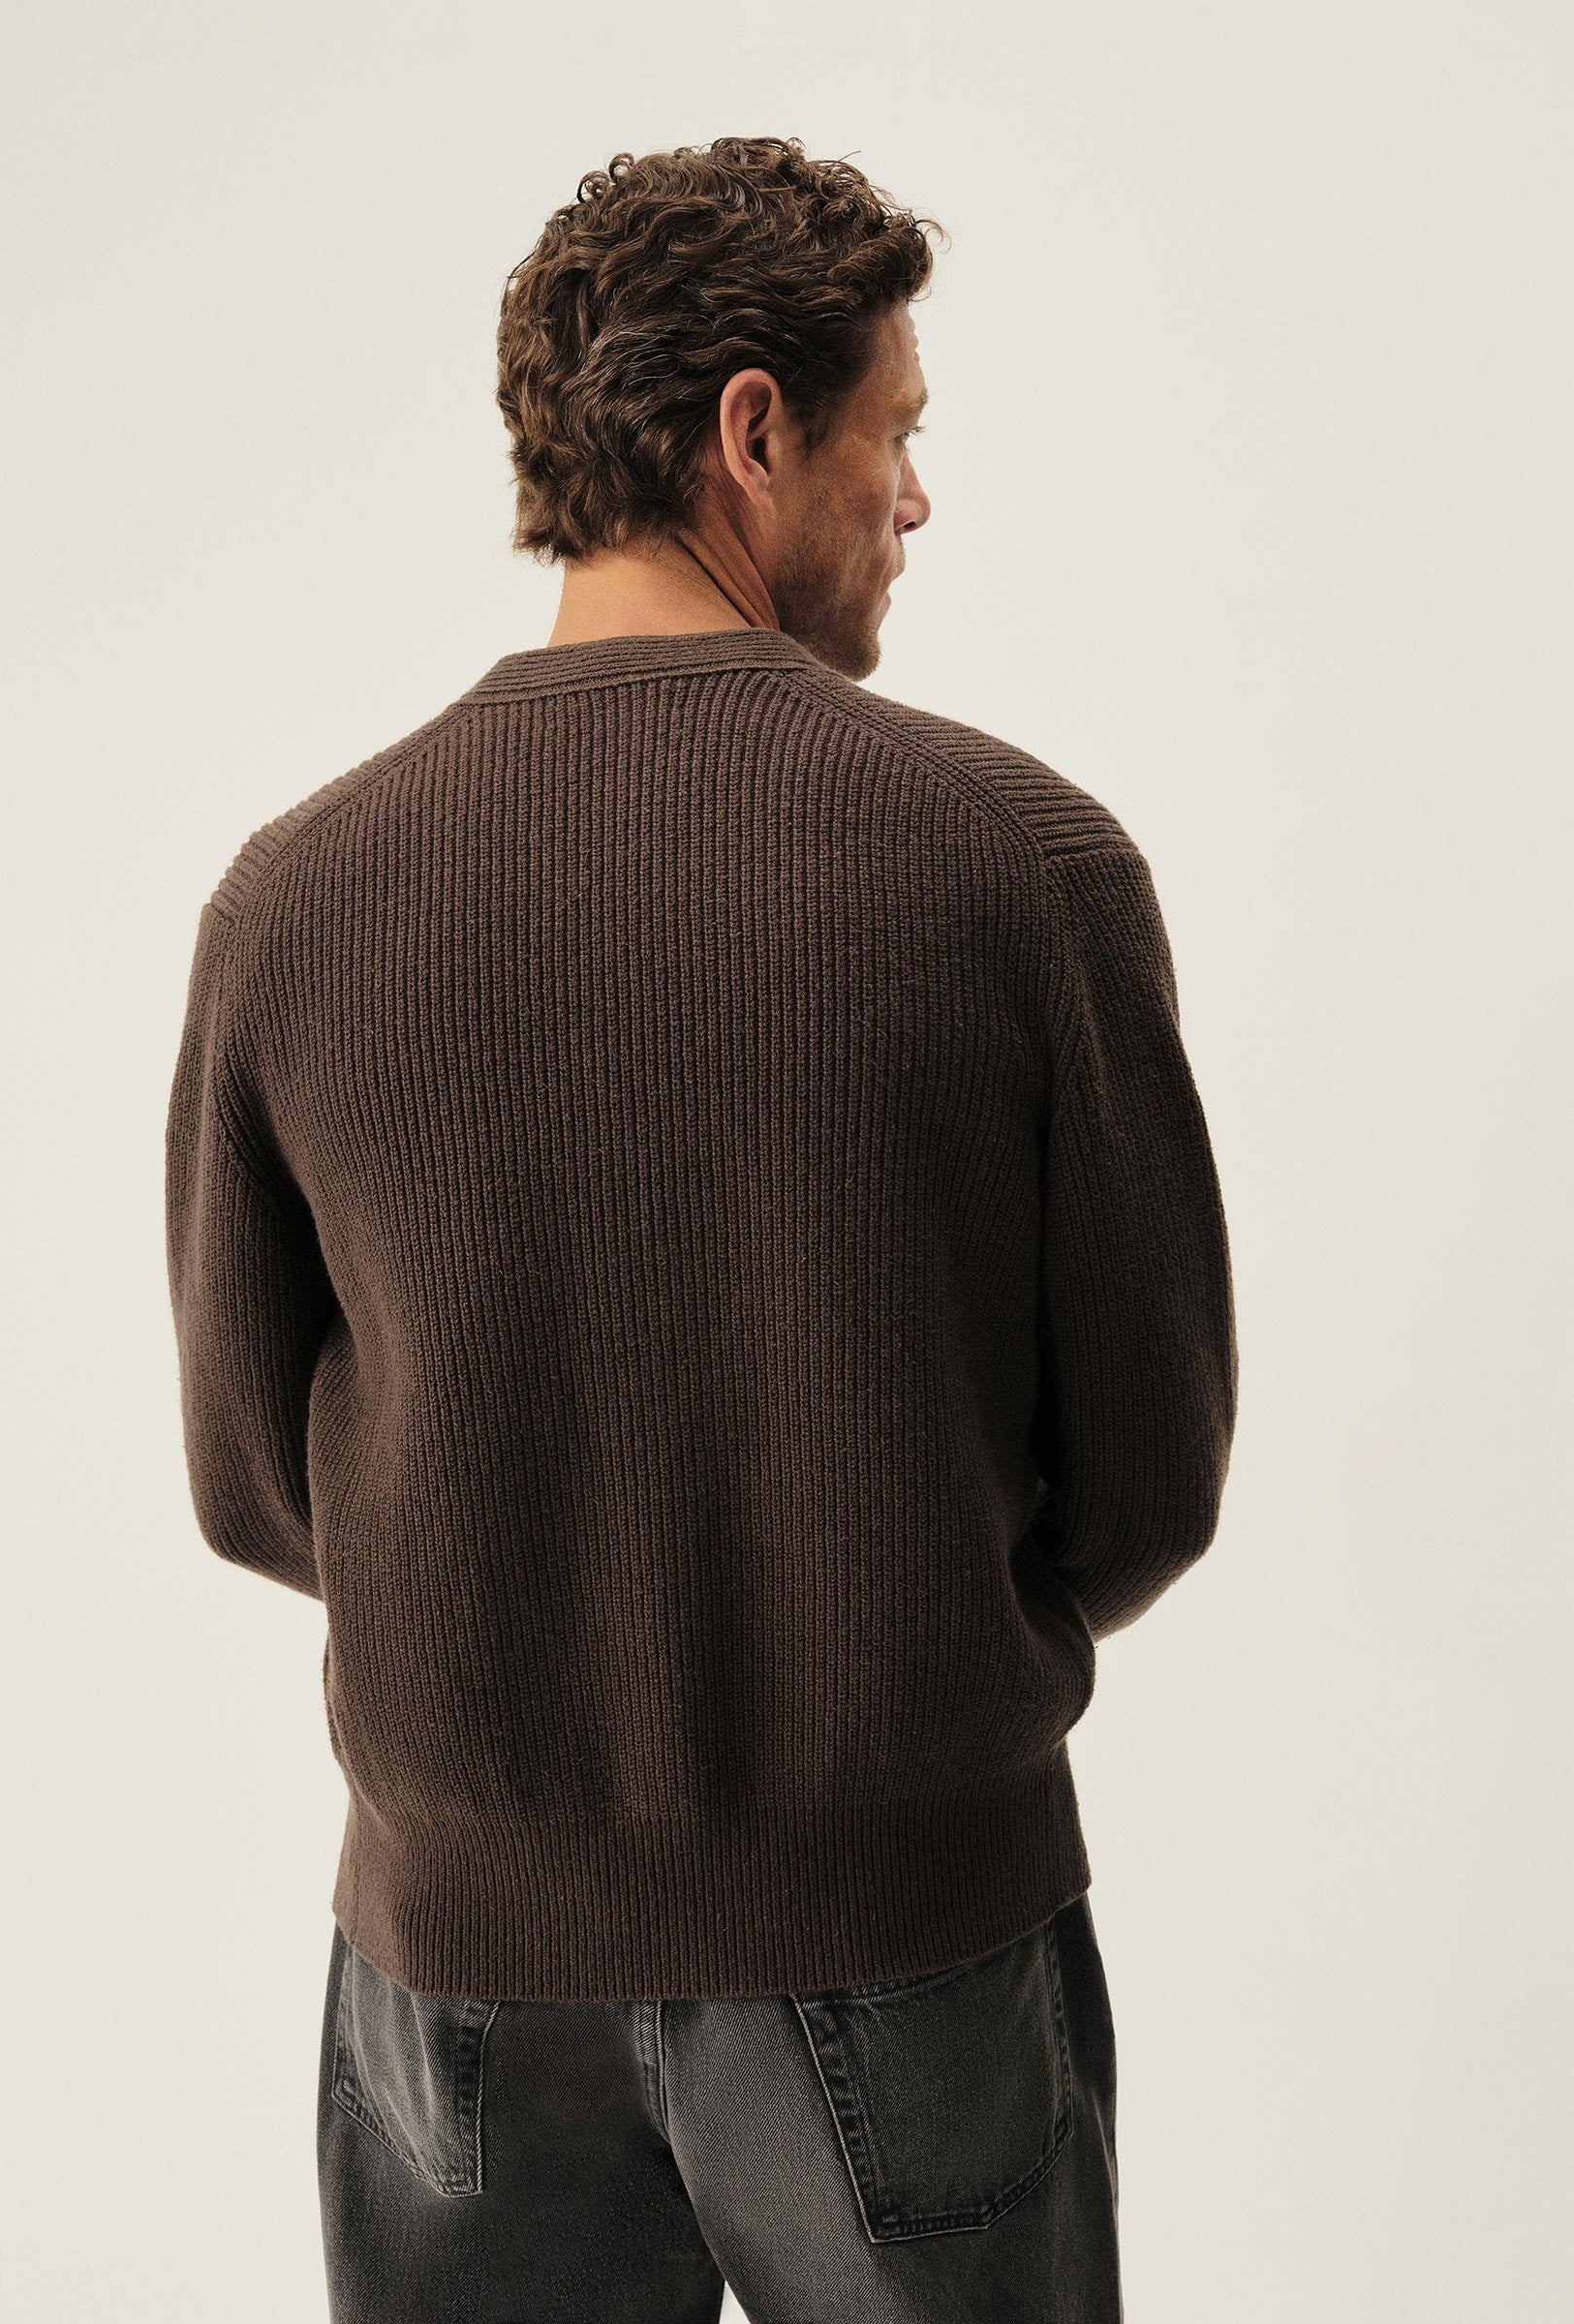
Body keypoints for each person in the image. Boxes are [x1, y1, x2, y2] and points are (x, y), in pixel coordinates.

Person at [165, 134, 1239, 2323]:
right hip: (909, 1927)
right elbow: (1149, 1481)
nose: (917, 500)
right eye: (893, 434)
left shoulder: (297, 896)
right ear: (753, 433)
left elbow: (256, 1482)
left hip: (459, 1962)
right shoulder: (1025, 871)